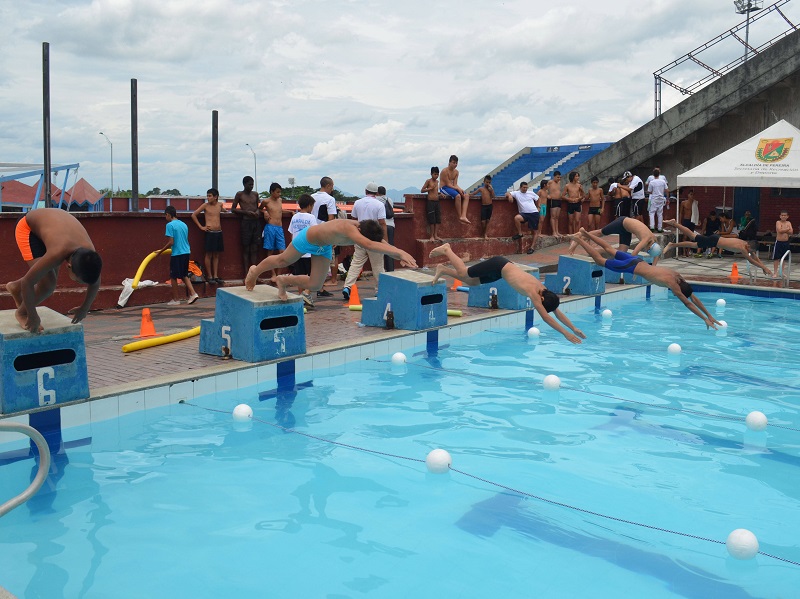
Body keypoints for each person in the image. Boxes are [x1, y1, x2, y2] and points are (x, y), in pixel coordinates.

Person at [428, 243, 585, 344]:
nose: (541, 305)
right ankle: (447, 249)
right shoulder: (534, 293)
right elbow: (546, 317)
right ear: (542, 298)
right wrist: (565, 333)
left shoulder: (546, 294)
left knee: (471, 282)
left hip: (501, 272)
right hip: (498, 264)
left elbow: (556, 312)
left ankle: (443, 269)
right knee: (464, 272)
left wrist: (574, 328)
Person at [569, 228, 720, 329]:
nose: (675, 293)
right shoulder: (673, 285)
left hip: (638, 262)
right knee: (600, 261)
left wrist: (710, 315)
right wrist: (704, 319)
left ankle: (585, 234)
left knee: (610, 250)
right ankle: (580, 240)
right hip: (632, 267)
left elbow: (693, 297)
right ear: (678, 290)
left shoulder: (677, 276)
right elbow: (688, 303)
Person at [244, 219, 417, 299]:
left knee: (315, 285)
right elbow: (370, 245)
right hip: (308, 239)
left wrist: (398, 252)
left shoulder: (365, 231)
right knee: (283, 260)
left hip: (324, 247)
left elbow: (381, 243)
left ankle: (283, 281)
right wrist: (400, 253)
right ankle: (255, 271)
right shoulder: (349, 228)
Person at [8, 208, 102, 332]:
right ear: (69, 266)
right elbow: (28, 282)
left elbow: (95, 282)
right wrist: (32, 315)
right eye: (79, 281)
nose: (80, 283)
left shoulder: (89, 256)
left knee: (48, 272)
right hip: (27, 227)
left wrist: (85, 308)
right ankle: (22, 314)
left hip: (50, 228)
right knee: (48, 285)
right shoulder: (58, 253)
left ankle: (15, 287)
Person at [663, 219, 772, 277]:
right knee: (692, 236)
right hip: (714, 240)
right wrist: (764, 268)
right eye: (749, 251)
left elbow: (755, 258)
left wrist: (763, 267)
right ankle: (674, 224)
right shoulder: (742, 247)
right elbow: (751, 261)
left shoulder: (746, 245)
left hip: (715, 240)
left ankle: (672, 245)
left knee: (694, 245)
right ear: (748, 246)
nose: (749, 252)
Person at [342, 182, 388, 301]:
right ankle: (379, 290)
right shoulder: (379, 204)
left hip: (360, 237)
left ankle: (347, 287)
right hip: (375, 238)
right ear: (376, 193)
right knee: (378, 265)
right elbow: (382, 223)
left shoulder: (357, 203)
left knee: (356, 263)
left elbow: (354, 220)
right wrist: (385, 241)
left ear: (365, 191)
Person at [156, 206, 199, 306]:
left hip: (177, 253)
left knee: (173, 276)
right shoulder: (184, 224)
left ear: (168, 215)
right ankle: (193, 293)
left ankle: (176, 299)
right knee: (184, 275)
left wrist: (161, 251)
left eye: (165, 215)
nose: (165, 218)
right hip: (186, 252)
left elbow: (171, 242)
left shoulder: (170, 225)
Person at [567, 215, 661, 258]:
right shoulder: (646, 240)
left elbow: (657, 255)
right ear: (649, 247)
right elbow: (633, 255)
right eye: (648, 250)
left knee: (621, 252)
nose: (646, 250)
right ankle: (579, 237)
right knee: (601, 233)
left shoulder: (654, 240)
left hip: (627, 230)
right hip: (622, 222)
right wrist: (634, 270)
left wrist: (652, 270)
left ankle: (597, 250)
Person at [287, 194, 318, 308]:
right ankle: (306, 293)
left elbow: (291, 233)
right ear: (309, 205)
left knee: (299, 276)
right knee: (313, 276)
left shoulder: (294, 217)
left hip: (296, 251)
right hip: (309, 251)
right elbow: (314, 233)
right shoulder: (311, 218)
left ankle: (301, 297)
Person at [191, 187, 226, 284]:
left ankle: (215, 276)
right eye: (207, 196)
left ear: (215, 197)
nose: (208, 198)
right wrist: (201, 227)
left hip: (218, 232)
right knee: (209, 254)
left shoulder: (219, 205)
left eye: (210, 196)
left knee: (216, 255)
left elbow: (224, 211)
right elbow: (194, 215)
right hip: (210, 233)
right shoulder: (205, 206)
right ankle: (209, 276)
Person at [311, 176, 338, 294]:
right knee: (324, 261)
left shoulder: (311, 197)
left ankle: (314, 286)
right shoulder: (330, 199)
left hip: (311, 232)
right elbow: (331, 218)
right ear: (328, 186)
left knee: (313, 260)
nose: (332, 189)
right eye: (332, 186)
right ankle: (319, 288)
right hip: (324, 233)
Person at [230, 175, 262, 277]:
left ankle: (254, 273)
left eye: (252, 184)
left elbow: (259, 207)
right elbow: (233, 209)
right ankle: (246, 274)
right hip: (246, 223)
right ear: (244, 184)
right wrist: (246, 213)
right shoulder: (240, 194)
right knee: (246, 249)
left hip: (256, 223)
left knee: (254, 248)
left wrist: (257, 212)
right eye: (249, 184)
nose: (251, 186)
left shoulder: (255, 194)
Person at [258, 182, 287, 280]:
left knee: (282, 251)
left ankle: (279, 274)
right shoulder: (266, 201)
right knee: (270, 251)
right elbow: (260, 209)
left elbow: (280, 210)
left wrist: (290, 212)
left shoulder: (280, 200)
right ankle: (273, 273)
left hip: (279, 228)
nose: (279, 194)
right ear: (272, 192)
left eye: (280, 192)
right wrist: (265, 212)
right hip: (270, 227)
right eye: (277, 192)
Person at [505, 181, 540, 254]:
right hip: (524, 213)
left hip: (534, 213)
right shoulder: (517, 193)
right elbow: (507, 193)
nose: (525, 189)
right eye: (524, 187)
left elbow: (538, 198)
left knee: (535, 231)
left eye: (526, 187)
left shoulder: (531, 193)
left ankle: (532, 247)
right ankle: (520, 233)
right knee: (517, 218)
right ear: (520, 187)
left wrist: (538, 207)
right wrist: (510, 196)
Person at [440, 155, 470, 224]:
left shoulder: (456, 172)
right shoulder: (444, 171)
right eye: (453, 162)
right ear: (449, 162)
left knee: (466, 196)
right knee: (458, 196)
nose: (455, 164)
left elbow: (455, 184)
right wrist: (457, 189)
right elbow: (448, 184)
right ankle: (460, 217)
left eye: (456, 163)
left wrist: (460, 189)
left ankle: (464, 216)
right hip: (444, 188)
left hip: (452, 187)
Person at [376, 186, 396, 272]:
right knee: (390, 248)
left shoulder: (376, 200)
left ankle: (381, 270)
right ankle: (390, 270)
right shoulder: (389, 200)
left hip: (380, 226)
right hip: (391, 226)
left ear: (377, 193)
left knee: (379, 249)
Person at [421, 166, 442, 241]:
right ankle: (431, 236)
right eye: (435, 174)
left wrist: (440, 194)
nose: (436, 176)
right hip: (430, 202)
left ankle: (436, 235)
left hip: (437, 202)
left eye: (437, 174)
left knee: (437, 219)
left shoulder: (437, 182)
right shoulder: (428, 181)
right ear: (431, 174)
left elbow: (436, 191)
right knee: (432, 220)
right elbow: (422, 190)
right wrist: (430, 188)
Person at [646, 168, 669, 232]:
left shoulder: (652, 182)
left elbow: (649, 191)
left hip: (654, 198)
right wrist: (667, 198)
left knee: (652, 213)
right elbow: (667, 190)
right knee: (660, 213)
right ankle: (659, 228)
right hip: (661, 198)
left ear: (653, 175)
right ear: (659, 174)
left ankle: (652, 227)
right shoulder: (663, 181)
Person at [773, 210, 793, 276]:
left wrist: (784, 230)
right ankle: (775, 272)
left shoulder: (788, 222)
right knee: (776, 258)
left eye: (785, 215)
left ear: (787, 216)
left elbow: (791, 232)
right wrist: (787, 229)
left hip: (786, 242)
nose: (783, 216)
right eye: (782, 215)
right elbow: (779, 231)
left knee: (783, 258)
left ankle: (782, 272)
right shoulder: (778, 222)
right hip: (779, 242)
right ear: (780, 216)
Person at [677, 191, 697, 257]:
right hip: (686, 220)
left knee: (691, 236)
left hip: (692, 220)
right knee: (685, 236)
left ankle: (688, 251)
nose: (692, 196)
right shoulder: (683, 203)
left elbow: (696, 212)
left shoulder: (695, 203)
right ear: (688, 195)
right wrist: (679, 222)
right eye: (691, 194)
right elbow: (681, 213)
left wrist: (697, 220)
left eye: (693, 195)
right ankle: (683, 252)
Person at [546, 171, 563, 237]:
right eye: (557, 177)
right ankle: (554, 232)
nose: (559, 178)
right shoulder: (550, 182)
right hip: (553, 200)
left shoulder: (559, 182)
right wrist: (547, 195)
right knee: (553, 216)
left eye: (559, 177)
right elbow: (544, 188)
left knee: (557, 217)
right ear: (554, 177)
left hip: (558, 200)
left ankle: (557, 231)